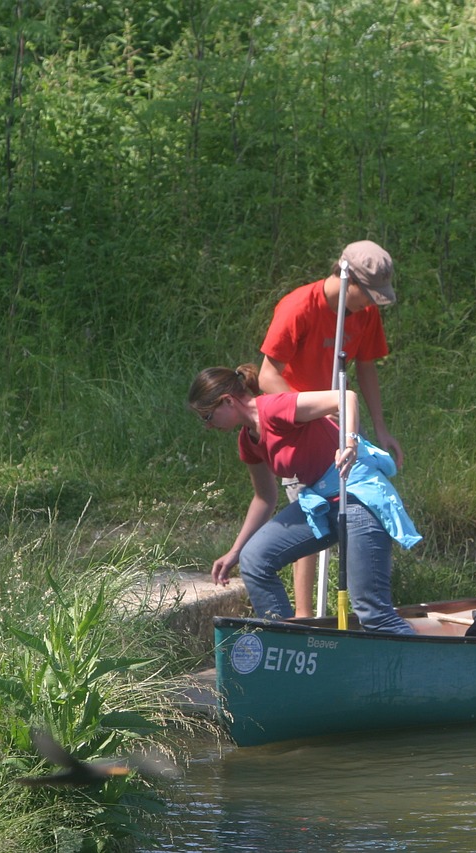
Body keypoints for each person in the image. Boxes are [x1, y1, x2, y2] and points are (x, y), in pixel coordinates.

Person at [189, 364, 419, 634]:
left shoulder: (274, 407)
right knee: (254, 560)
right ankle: (288, 645)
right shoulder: (247, 440)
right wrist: (235, 551)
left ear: (227, 401)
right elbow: (264, 498)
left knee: (372, 612)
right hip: (320, 505)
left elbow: (346, 397)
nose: (206, 426)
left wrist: (350, 443)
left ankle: (429, 668)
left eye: (207, 416)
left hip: (356, 494)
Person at [257, 240, 404, 617]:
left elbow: (367, 367)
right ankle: (304, 618)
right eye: (368, 295)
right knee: (310, 515)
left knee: (349, 504)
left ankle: (359, 609)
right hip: (299, 426)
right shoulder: (298, 308)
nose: (371, 304)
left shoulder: (364, 314)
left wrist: (381, 428)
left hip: (338, 422)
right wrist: (315, 414)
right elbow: (267, 376)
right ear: (347, 277)